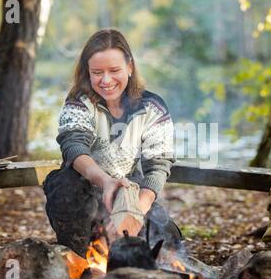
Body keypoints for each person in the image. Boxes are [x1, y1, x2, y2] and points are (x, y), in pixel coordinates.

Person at [43, 29, 182, 258]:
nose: (106, 81)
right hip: (82, 190)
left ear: (130, 67)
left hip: (130, 190)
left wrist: (134, 211)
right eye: (97, 72)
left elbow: (158, 164)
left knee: (169, 242)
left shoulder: (153, 107)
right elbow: (74, 147)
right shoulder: (79, 103)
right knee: (66, 186)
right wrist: (105, 182)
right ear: (87, 72)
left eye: (114, 70)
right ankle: (81, 256)